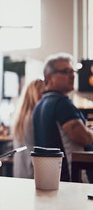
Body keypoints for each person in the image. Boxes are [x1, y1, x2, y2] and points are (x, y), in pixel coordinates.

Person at [32, 52, 93, 182]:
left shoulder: (39, 105)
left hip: (51, 179)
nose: (72, 75)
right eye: (66, 71)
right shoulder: (62, 103)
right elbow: (84, 138)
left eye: (72, 71)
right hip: (72, 179)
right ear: (49, 77)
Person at [12, 79, 45, 179]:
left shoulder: (20, 118)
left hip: (20, 171)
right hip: (32, 171)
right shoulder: (35, 118)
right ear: (38, 95)